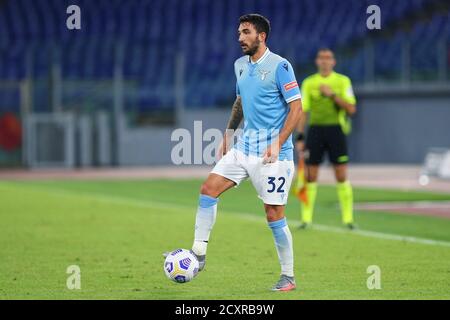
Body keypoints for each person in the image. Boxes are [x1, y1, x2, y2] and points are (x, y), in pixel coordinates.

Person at [166, 14, 303, 291]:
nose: (240, 38)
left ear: (261, 36)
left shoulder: (280, 66)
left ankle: (288, 276)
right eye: (239, 33)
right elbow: (240, 101)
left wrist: (277, 142)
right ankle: (199, 253)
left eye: (246, 32)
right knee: (208, 189)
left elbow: (296, 108)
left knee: (274, 215)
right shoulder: (239, 65)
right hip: (243, 149)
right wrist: (228, 135)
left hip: (273, 156)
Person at [295, 48, 357, 230]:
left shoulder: (342, 81)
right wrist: (300, 136)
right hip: (315, 132)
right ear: (317, 62)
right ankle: (306, 219)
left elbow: (352, 109)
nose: (324, 61)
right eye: (321, 58)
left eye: (328, 58)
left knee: (341, 175)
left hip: (336, 131)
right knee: (311, 175)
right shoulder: (309, 83)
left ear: (333, 62)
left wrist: (332, 95)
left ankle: (348, 219)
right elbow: (303, 111)